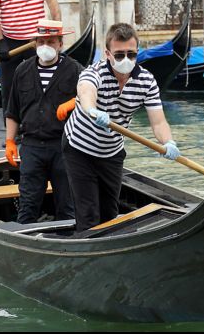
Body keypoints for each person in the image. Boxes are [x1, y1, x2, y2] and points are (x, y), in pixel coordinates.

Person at [61, 23, 181, 231]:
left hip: (112, 151)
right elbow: (86, 91)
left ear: (137, 52)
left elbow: (159, 122)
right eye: (119, 55)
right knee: (88, 215)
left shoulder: (147, 81)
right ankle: (88, 246)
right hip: (79, 149)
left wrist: (168, 141)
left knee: (110, 214)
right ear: (107, 54)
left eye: (131, 54)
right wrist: (92, 111)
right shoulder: (94, 72)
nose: (126, 60)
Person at [4, 19, 82, 224]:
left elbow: (93, 97)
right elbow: (13, 111)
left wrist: (75, 101)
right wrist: (10, 141)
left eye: (51, 42)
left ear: (60, 44)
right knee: (28, 205)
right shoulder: (22, 71)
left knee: (68, 206)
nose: (45, 46)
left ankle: (71, 239)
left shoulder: (75, 70)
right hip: (31, 147)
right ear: (35, 43)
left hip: (64, 146)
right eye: (41, 42)